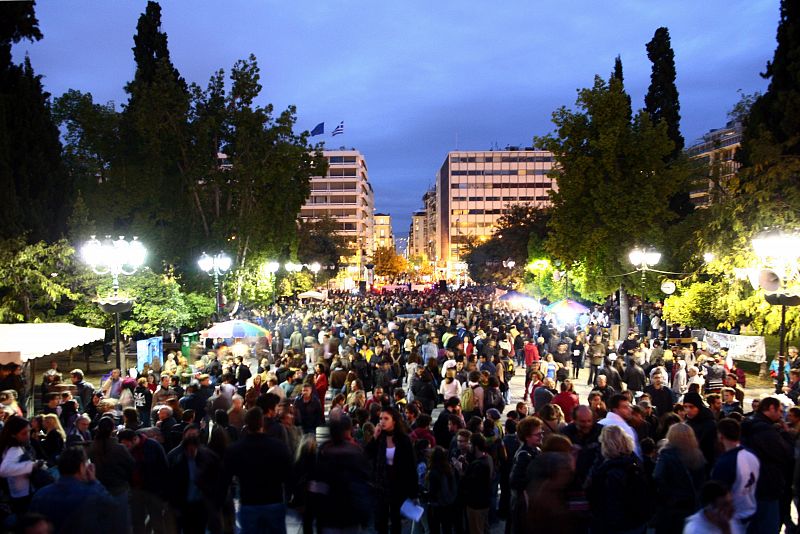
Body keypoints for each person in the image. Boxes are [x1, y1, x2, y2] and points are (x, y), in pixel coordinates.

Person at [224, 407, 292, 533]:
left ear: (246, 424)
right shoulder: (278, 446)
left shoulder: (235, 449)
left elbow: (225, 479)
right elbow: (289, 474)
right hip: (274, 500)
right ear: (262, 424)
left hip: (249, 501)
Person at [28, 447, 124, 533]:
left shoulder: (40, 495)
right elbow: (112, 507)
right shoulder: (93, 493)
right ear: (82, 467)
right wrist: (94, 481)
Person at [740, 396, 794, 534]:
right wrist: (786, 434)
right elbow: (785, 453)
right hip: (768, 484)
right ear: (771, 408)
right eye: (780, 411)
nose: (781, 415)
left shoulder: (748, 425)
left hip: (750, 484)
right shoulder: (766, 431)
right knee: (767, 525)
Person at [585, 425, 652, 534]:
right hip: (638, 522)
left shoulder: (609, 471)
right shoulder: (634, 462)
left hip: (618, 526)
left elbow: (610, 506)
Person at [312, 414, 373, 532]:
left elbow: (318, 485)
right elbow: (365, 482)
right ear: (348, 430)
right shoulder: (356, 451)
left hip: (329, 515)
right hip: (352, 514)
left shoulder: (324, 451)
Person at [365, 407, 418, 534]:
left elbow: (411, 466)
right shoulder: (380, 438)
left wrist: (413, 492)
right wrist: (374, 437)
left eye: (386, 419)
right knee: (380, 521)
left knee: (396, 520)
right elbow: (367, 454)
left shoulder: (403, 439)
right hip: (380, 484)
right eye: (380, 419)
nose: (382, 421)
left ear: (394, 421)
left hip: (398, 485)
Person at [653, 423, 707, 533]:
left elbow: (657, 477)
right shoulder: (697, 455)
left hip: (672, 507)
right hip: (692, 505)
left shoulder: (666, 455)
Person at [711, 418, 759, 534]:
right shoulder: (752, 455)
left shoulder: (725, 463)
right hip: (750, 512)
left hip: (733, 518)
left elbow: (718, 495)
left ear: (720, 436)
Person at [88, 416, 134, 526]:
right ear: (113, 428)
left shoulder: (92, 447)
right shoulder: (119, 448)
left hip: (98, 488)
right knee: (120, 524)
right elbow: (131, 465)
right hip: (118, 489)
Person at [0, 416, 43, 518]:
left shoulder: (15, 446)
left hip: (19, 492)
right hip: (21, 494)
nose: (28, 435)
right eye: (24, 433)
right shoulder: (14, 449)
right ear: (14, 435)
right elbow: (4, 470)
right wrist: (32, 465)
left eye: (29, 431)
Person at [508, 416, 544, 534]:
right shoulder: (524, 455)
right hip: (523, 506)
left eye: (541, 433)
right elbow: (514, 481)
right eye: (538, 434)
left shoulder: (536, 450)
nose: (541, 436)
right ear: (527, 437)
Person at [460, 433, 493, 534]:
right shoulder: (485, 459)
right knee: (484, 528)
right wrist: (466, 464)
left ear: (476, 446)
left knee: (476, 529)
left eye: (470, 443)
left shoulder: (480, 464)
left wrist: (460, 470)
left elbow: (471, 483)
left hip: (476, 505)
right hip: (484, 503)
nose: (468, 446)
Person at [597, 394, 641, 458]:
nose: (630, 410)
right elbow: (634, 453)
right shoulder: (624, 429)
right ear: (615, 410)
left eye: (629, 407)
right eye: (625, 407)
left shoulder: (599, 423)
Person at [426, 445, 458, 534]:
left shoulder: (433, 472)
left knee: (434, 529)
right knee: (447, 528)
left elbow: (432, 492)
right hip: (448, 504)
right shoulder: (449, 469)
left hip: (436, 506)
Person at [682, 392, 719, 467]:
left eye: (691, 407)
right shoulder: (687, 422)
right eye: (685, 407)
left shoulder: (709, 424)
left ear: (698, 406)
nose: (688, 410)